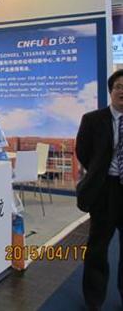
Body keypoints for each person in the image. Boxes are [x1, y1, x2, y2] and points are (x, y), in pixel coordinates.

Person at [76, 69, 123, 310]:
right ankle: (94, 300)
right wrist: (97, 172)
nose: (122, 91)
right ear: (111, 91)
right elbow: (82, 152)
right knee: (97, 248)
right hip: (104, 190)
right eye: (118, 87)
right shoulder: (93, 119)